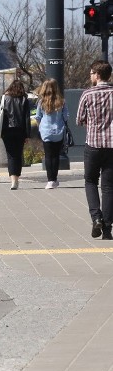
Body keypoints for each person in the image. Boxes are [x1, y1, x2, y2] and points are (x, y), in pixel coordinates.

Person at [76, 60, 113, 240]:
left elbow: (79, 119)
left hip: (93, 144)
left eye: (91, 73)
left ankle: (96, 217)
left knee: (90, 181)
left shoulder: (87, 94)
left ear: (97, 75)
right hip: (112, 146)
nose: (90, 76)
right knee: (109, 187)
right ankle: (107, 229)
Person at [34, 78, 68, 190]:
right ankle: (55, 178)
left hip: (46, 131)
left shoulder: (41, 102)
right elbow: (66, 116)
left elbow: (38, 116)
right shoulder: (61, 101)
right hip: (58, 130)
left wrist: (40, 127)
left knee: (48, 155)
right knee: (56, 155)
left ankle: (50, 180)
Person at [0, 80, 32, 190]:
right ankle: (16, 179)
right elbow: (27, 118)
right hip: (20, 131)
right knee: (18, 155)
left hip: (7, 130)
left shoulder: (4, 98)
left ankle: (13, 180)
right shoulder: (24, 100)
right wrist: (28, 134)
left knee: (11, 155)